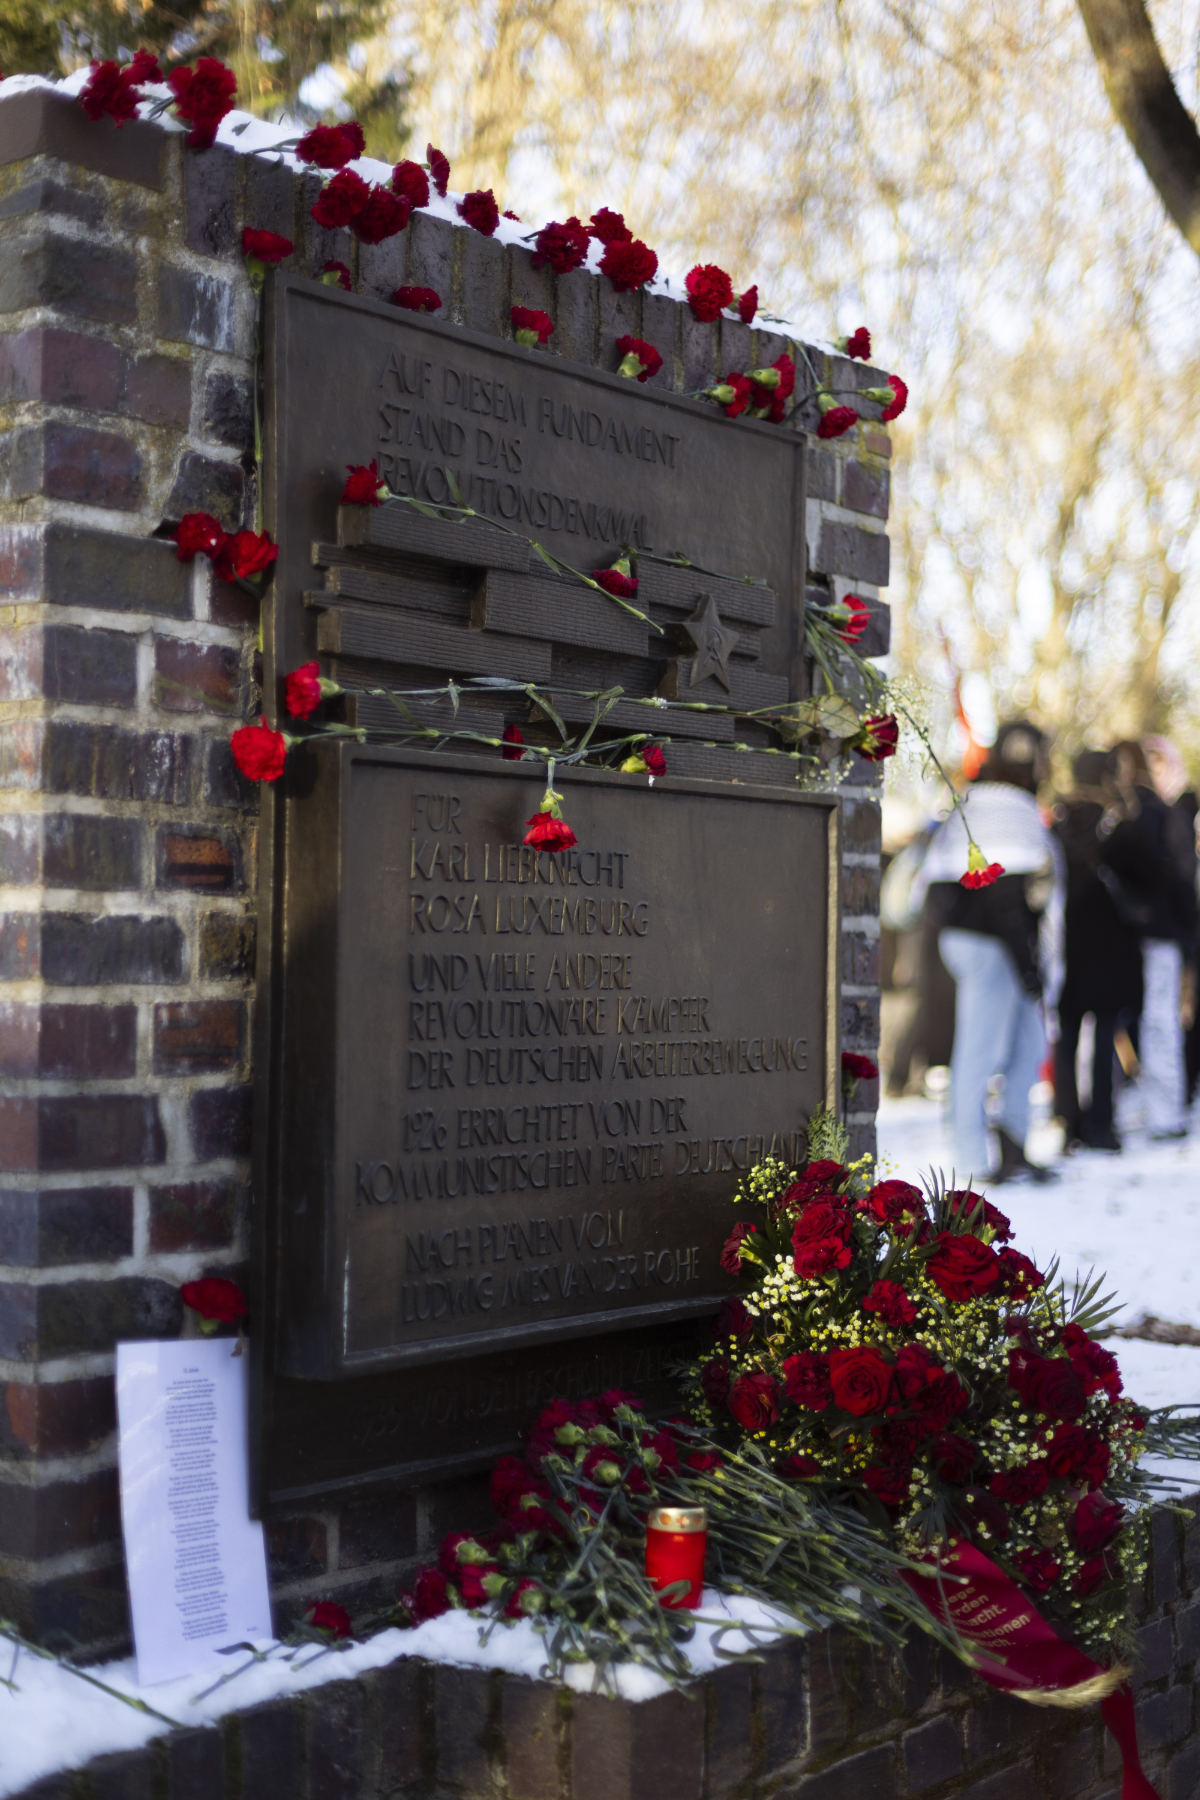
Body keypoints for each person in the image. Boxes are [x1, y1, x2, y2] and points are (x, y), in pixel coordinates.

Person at [916, 721, 1064, 1185]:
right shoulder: (1010, 807)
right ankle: (971, 1157)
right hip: (991, 943)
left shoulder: (972, 801)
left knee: (1026, 1043)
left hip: (988, 942)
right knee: (980, 1049)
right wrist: (1029, 966)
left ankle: (1014, 1143)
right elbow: (1005, 898)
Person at [1051, 750, 1142, 1151]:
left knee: (1068, 1034)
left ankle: (1068, 1121)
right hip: (1108, 944)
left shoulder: (1056, 823)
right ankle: (1101, 1124)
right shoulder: (1117, 824)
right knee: (1105, 1033)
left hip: (1067, 943)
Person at [1105, 740, 1196, 1140]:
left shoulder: (1155, 815)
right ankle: (1156, 1111)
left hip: (1156, 933)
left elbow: (1179, 877)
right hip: (1143, 934)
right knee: (1148, 1021)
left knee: (1158, 1021)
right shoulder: (1132, 815)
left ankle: (1164, 1113)